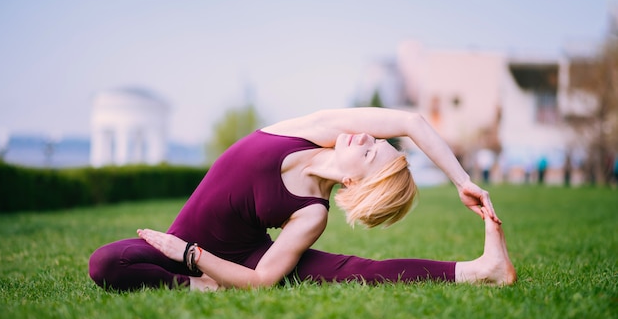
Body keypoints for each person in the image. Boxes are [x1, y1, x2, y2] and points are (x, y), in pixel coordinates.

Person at [89, 108, 516, 292]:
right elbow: (411, 121)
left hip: (234, 257)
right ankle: (198, 287)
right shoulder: (313, 129)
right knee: (105, 263)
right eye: (375, 142)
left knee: (358, 271)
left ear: (353, 181)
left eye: (369, 152)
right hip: (184, 246)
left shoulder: (312, 213)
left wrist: (191, 255)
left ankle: (484, 270)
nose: (365, 137)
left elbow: (260, 282)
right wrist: (463, 180)